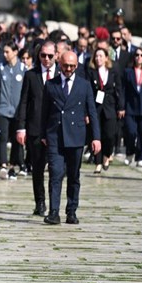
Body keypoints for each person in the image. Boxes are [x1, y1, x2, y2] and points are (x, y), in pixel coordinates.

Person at [40, 51, 100, 225]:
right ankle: (53, 212)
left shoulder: (84, 85)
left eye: (72, 66)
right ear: (60, 64)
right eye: (65, 65)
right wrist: (43, 134)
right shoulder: (51, 85)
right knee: (55, 173)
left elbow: (92, 112)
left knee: (73, 175)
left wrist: (96, 137)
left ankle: (71, 211)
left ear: (77, 66)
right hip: (55, 136)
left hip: (76, 136)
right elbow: (44, 112)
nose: (68, 69)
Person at [16, 41, 58, 216]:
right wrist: (21, 127)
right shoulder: (31, 75)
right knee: (38, 168)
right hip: (35, 128)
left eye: (50, 56)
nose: (46, 59)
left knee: (56, 169)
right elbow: (24, 102)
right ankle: (40, 202)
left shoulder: (61, 74)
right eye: (43, 56)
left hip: (56, 129)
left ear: (56, 55)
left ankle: (54, 203)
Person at [0, 42, 25, 179]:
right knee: (3, 137)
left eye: (8, 52)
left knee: (16, 139)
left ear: (15, 52)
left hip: (18, 110)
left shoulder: (23, 69)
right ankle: (3, 164)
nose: (5, 55)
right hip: (3, 109)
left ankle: (13, 165)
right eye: (3, 52)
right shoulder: (0, 68)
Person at [87, 47, 123, 174]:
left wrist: (121, 107)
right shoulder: (91, 72)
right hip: (96, 107)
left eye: (101, 56)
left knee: (109, 135)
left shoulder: (113, 71)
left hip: (110, 106)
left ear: (106, 58)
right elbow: (88, 91)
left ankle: (107, 154)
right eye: (96, 56)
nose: (98, 58)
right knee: (97, 135)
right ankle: (97, 162)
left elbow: (119, 89)